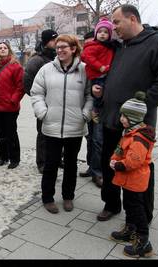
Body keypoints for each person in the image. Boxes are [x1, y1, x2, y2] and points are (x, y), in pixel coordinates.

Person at [93, 4, 158, 222]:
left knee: (138, 169)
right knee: (109, 164)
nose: (113, 28)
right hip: (112, 119)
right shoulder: (121, 46)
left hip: (138, 126)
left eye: (116, 22)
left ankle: (142, 215)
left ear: (132, 19)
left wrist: (139, 107)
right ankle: (111, 204)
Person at [31, 34, 93, 214]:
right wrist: (42, 112)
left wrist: (85, 114)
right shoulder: (46, 69)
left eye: (64, 47)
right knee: (50, 164)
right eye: (57, 47)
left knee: (71, 164)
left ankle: (68, 197)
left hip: (75, 126)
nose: (59, 50)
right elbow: (37, 93)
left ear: (74, 49)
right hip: (51, 126)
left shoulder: (84, 69)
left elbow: (90, 95)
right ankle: (48, 198)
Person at [109, 92, 155, 258]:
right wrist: (114, 159)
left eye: (125, 116)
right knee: (129, 205)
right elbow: (120, 149)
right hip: (129, 180)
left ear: (135, 118)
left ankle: (144, 242)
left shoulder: (139, 138)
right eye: (122, 115)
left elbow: (134, 160)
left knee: (137, 209)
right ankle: (130, 229)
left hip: (135, 180)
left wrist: (119, 165)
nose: (121, 118)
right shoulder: (129, 132)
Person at [24, 29, 58, 174]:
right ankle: (42, 162)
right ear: (46, 42)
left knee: (57, 133)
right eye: (53, 40)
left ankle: (57, 158)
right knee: (43, 133)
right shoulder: (37, 60)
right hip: (44, 103)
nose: (56, 42)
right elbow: (27, 82)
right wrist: (39, 98)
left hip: (58, 103)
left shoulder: (58, 57)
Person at [0, 41, 24, 169]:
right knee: (0, 133)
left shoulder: (15, 66)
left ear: (9, 50)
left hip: (10, 107)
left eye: (5, 48)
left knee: (11, 133)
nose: (2, 50)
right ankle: (3, 157)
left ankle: (15, 158)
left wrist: (13, 100)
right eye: (0, 48)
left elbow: (21, 86)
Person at [79, 30, 104, 188]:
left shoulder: (103, 61)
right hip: (87, 107)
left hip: (100, 107)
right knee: (89, 139)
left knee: (98, 140)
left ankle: (98, 172)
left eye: (91, 43)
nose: (89, 46)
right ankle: (91, 167)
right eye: (86, 44)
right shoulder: (82, 64)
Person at [81, 17, 115, 124]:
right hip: (97, 74)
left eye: (106, 32)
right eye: (100, 32)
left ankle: (99, 111)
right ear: (96, 34)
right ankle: (95, 110)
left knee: (104, 94)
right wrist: (100, 67)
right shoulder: (93, 46)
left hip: (105, 73)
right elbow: (88, 58)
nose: (103, 34)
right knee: (98, 94)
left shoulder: (109, 46)